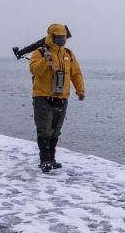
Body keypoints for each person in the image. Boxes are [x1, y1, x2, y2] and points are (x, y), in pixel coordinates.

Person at [29, 24, 85, 172]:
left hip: (62, 97)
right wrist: (45, 60)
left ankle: (52, 159)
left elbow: (76, 73)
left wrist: (80, 90)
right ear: (51, 37)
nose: (61, 39)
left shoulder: (68, 54)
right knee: (44, 130)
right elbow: (34, 70)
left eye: (63, 36)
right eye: (58, 36)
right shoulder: (40, 52)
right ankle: (44, 160)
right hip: (42, 96)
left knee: (55, 131)